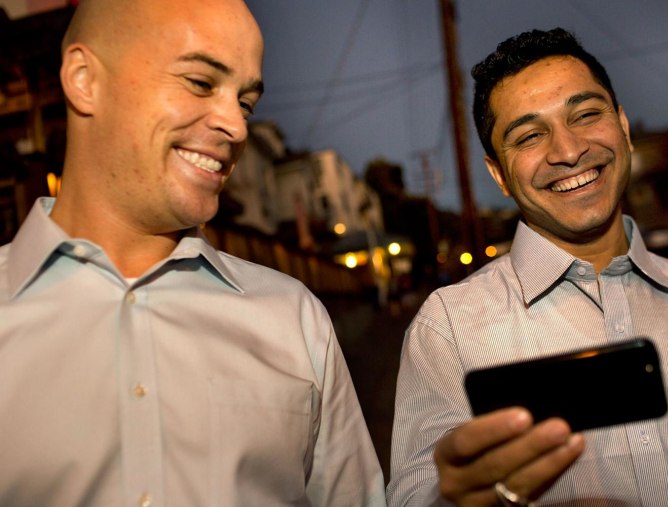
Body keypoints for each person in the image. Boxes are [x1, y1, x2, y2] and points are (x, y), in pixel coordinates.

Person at [0, 0, 386, 505]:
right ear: (84, 78)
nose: (238, 127)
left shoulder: (294, 319)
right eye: (201, 83)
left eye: (246, 103)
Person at [387, 27, 668, 506]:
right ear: (498, 174)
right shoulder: (447, 328)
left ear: (623, 127)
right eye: (528, 136)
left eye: (585, 114)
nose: (567, 151)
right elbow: (417, 493)